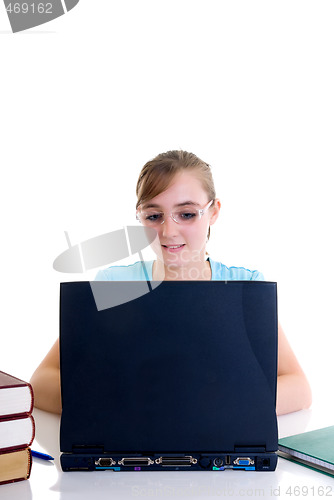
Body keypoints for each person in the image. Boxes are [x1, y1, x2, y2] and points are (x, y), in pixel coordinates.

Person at [30, 150, 312, 415]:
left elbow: (298, 387)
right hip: (132, 438)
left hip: (215, 439)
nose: (168, 231)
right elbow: (42, 381)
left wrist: (210, 404)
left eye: (187, 214)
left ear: (213, 212)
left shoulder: (244, 286)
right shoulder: (115, 284)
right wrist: (120, 401)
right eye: (154, 216)